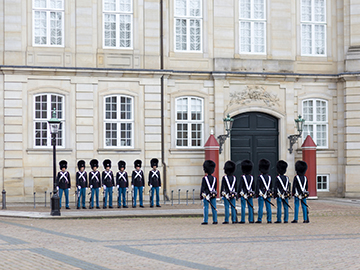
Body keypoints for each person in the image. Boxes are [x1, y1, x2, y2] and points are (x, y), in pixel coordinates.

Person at [200, 160, 218, 225]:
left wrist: (201, 195)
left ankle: (205, 220)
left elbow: (203, 187)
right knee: (214, 207)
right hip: (213, 194)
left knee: (206, 207)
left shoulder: (204, 179)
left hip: (206, 195)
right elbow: (215, 187)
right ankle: (215, 220)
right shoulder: (215, 178)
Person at [256, 159, 272, 223]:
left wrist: (257, 193)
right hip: (267, 193)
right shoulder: (270, 177)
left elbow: (257, 186)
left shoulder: (259, 177)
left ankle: (259, 219)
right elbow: (270, 186)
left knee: (260, 207)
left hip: (261, 193)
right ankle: (269, 219)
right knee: (268, 207)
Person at [239, 159, 255, 224]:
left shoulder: (242, 177)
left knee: (243, 207)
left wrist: (239, 193)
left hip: (244, 193)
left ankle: (243, 219)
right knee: (250, 206)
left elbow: (240, 186)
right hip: (250, 193)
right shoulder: (252, 177)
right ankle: (251, 219)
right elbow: (253, 186)